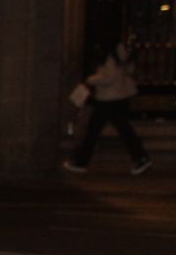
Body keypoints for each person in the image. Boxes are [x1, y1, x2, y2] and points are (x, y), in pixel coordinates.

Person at [63, 40, 152, 176]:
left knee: (96, 131)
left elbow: (109, 77)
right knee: (115, 129)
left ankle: (80, 161)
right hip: (115, 98)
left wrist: (91, 79)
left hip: (108, 99)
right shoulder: (120, 54)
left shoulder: (110, 56)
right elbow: (126, 71)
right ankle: (140, 157)